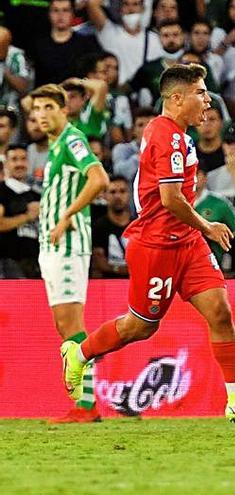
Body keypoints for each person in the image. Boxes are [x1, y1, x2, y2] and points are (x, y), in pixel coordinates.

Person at [60, 64, 235, 422]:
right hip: (157, 244)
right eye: (201, 93)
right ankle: (79, 353)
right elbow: (170, 198)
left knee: (220, 312)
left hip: (185, 241)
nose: (207, 100)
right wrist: (208, 225)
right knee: (142, 326)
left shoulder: (176, 133)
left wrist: (198, 231)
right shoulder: (167, 136)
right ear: (177, 98)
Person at [30, 84, 110, 423]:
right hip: (51, 246)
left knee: (72, 324)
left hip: (68, 244)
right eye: (37, 109)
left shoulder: (72, 140)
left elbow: (99, 178)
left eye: (50, 107)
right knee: (64, 325)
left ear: (64, 110)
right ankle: (85, 404)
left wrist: (67, 215)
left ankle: (87, 405)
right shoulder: (55, 146)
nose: (42, 115)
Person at [86, 0, 163, 86]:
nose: (131, 9)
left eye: (135, 4)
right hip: (117, 93)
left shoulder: (156, 39)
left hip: (146, 92)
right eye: (126, 4)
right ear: (120, 9)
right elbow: (92, 3)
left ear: (143, 8)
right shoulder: (108, 32)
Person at [0, 144, 41, 279]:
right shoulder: (1, 191)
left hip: (36, 263)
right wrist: (28, 216)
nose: (19, 164)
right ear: (5, 163)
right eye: (14, 159)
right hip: (7, 262)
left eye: (23, 159)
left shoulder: (36, 196)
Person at [91, 175, 133, 278]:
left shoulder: (138, 225)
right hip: (107, 283)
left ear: (129, 194)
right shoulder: (98, 227)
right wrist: (125, 269)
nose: (118, 196)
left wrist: (113, 267)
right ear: (104, 195)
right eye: (113, 192)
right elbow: (99, 264)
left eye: (122, 191)